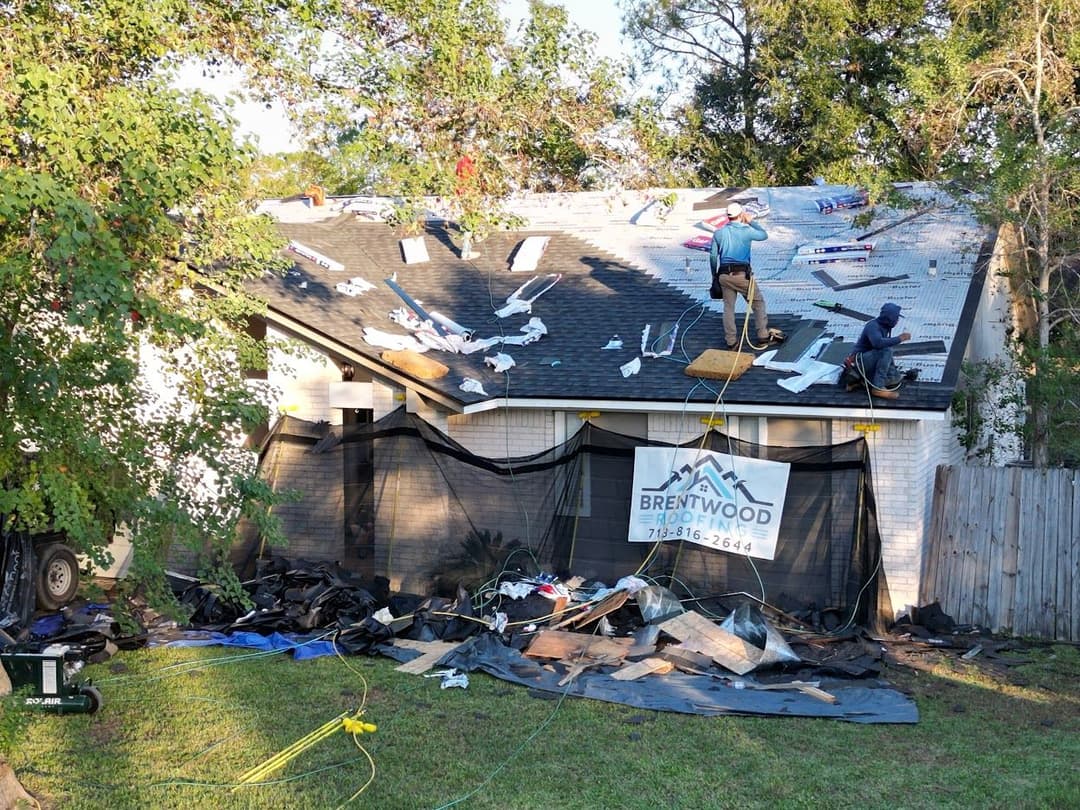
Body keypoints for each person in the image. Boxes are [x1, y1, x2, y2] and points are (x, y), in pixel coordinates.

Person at [709, 202, 775, 350]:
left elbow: (713, 257)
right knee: (757, 303)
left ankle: (731, 341)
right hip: (742, 275)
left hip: (724, 275)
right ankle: (763, 336)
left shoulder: (719, 233)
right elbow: (764, 235)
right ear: (741, 215)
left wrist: (715, 277)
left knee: (728, 308)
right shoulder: (747, 230)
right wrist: (751, 221)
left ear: (728, 217)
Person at [849, 302, 911, 400]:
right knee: (886, 350)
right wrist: (900, 338)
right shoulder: (872, 326)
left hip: (870, 360)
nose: (898, 320)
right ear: (890, 319)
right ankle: (877, 387)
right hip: (860, 362)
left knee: (895, 378)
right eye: (896, 318)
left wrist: (893, 370)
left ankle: (863, 382)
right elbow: (877, 343)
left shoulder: (885, 327)